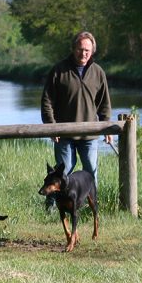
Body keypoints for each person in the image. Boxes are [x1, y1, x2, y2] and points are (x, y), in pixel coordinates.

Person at [40, 30, 112, 185]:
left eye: (87, 50)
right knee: (62, 173)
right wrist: (51, 127)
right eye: (80, 49)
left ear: (92, 51)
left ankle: (92, 207)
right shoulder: (59, 71)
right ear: (73, 49)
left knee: (91, 172)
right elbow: (47, 101)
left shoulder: (98, 72)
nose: (83, 53)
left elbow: (104, 102)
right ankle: (52, 206)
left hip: (90, 135)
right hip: (64, 133)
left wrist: (107, 127)